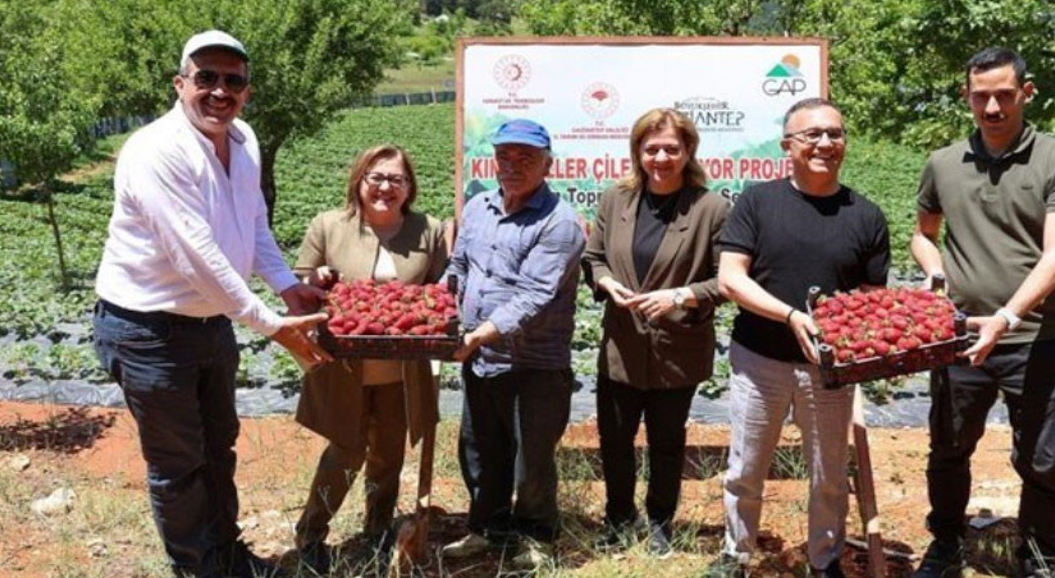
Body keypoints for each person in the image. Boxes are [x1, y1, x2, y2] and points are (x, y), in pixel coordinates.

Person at [92, 30, 331, 578]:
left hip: (210, 324)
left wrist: (286, 285)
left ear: (247, 91)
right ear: (180, 84)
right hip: (147, 331)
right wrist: (271, 324)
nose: (220, 91)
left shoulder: (243, 140)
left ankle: (229, 558)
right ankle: (198, 570)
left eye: (233, 80)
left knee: (219, 449)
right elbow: (195, 255)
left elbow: (254, 222)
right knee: (179, 466)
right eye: (206, 78)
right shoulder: (156, 151)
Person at [909, 47, 1055, 578]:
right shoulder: (943, 163)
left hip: (1035, 339)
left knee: (1045, 460)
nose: (991, 108)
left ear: (1026, 93)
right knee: (948, 448)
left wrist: (1006, 318)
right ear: (966, 96)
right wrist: (935, 272)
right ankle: (946, 541)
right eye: (980, 96)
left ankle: (1039, 556)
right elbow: (923, 234)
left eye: (1004, 95)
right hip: (959, 337)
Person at [712, 97, 890, 578]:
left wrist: (850, 335)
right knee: (746, 468)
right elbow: (731, 278)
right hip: (759, 360)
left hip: (827, 370)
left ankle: (824, 560)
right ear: (787, 145)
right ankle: (737, 554)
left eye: (835, 133)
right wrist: (791, 315)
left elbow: (872, 298)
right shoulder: (757, 202)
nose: (825, 143)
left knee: (829, 475)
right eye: (812, 134)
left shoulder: (866, 215)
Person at [289, 144, 447, 574]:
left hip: (402, 370)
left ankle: (376, 530)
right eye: (376, 177)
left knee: (389, 455)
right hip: (344, 366)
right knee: (345, 452)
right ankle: (311, 534)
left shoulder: (429, 230)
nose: (385, 187)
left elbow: (440, 289)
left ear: (409, 187)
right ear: (359, 181)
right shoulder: (329, 226)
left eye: (396, 179)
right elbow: (299, 281)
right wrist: (315, 278)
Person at [583, 109, 729, 555]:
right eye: (651, 149)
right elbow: (594, 257)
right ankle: (618, 517)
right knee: (615, 438)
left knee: (667, 441)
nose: (661, 158)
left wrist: (681, 296)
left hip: (676, 347)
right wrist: (607, 283)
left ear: (689, 151)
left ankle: (661, 522)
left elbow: (727, 280)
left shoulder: (711, 208)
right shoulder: (616, 199)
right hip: (622, 344)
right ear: (637, 152)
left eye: (671, 149)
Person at [441, 119, 586, 570]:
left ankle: (538, 534)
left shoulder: (559, 222)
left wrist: (477, 334)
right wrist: (437, 309)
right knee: (480, 450)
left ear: (548, 164)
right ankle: (488, 528)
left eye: (526, 157)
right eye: (505, 156)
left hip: (534, 363)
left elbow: (534, 296)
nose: (513, 165)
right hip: (481, 358)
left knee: (532, 459)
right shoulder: (478, 207)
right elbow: (458, 268)